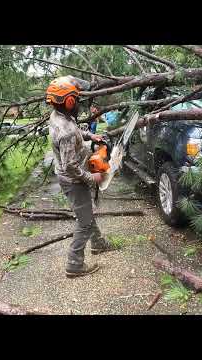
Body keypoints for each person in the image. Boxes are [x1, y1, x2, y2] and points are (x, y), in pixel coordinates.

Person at [46, 76, 116, 278]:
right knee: (84, 222)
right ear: (68, 102)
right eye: (75, 99)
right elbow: (70, 167)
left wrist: (90, 136)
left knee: (86, 213)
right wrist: (90, 177)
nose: (78, 103)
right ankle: (74, 264)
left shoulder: (59, 116)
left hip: (72, 178)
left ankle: (98, 243)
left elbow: (75, 130)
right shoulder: (66, 131)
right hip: (73, 180)